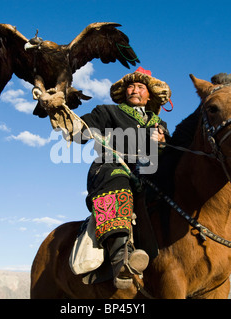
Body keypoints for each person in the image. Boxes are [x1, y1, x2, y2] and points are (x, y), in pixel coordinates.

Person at [70, 67, 172, 288]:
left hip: (149, 173)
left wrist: (162, 143)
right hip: (112, 166)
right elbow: (80, 131)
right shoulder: (107, 112)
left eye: (140, 87)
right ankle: (121, 258)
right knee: (118, 179)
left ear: (149, 95)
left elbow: (168, 154)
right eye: (131, 86)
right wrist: (65, 116)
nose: (134, 90)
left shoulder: (158, 123)